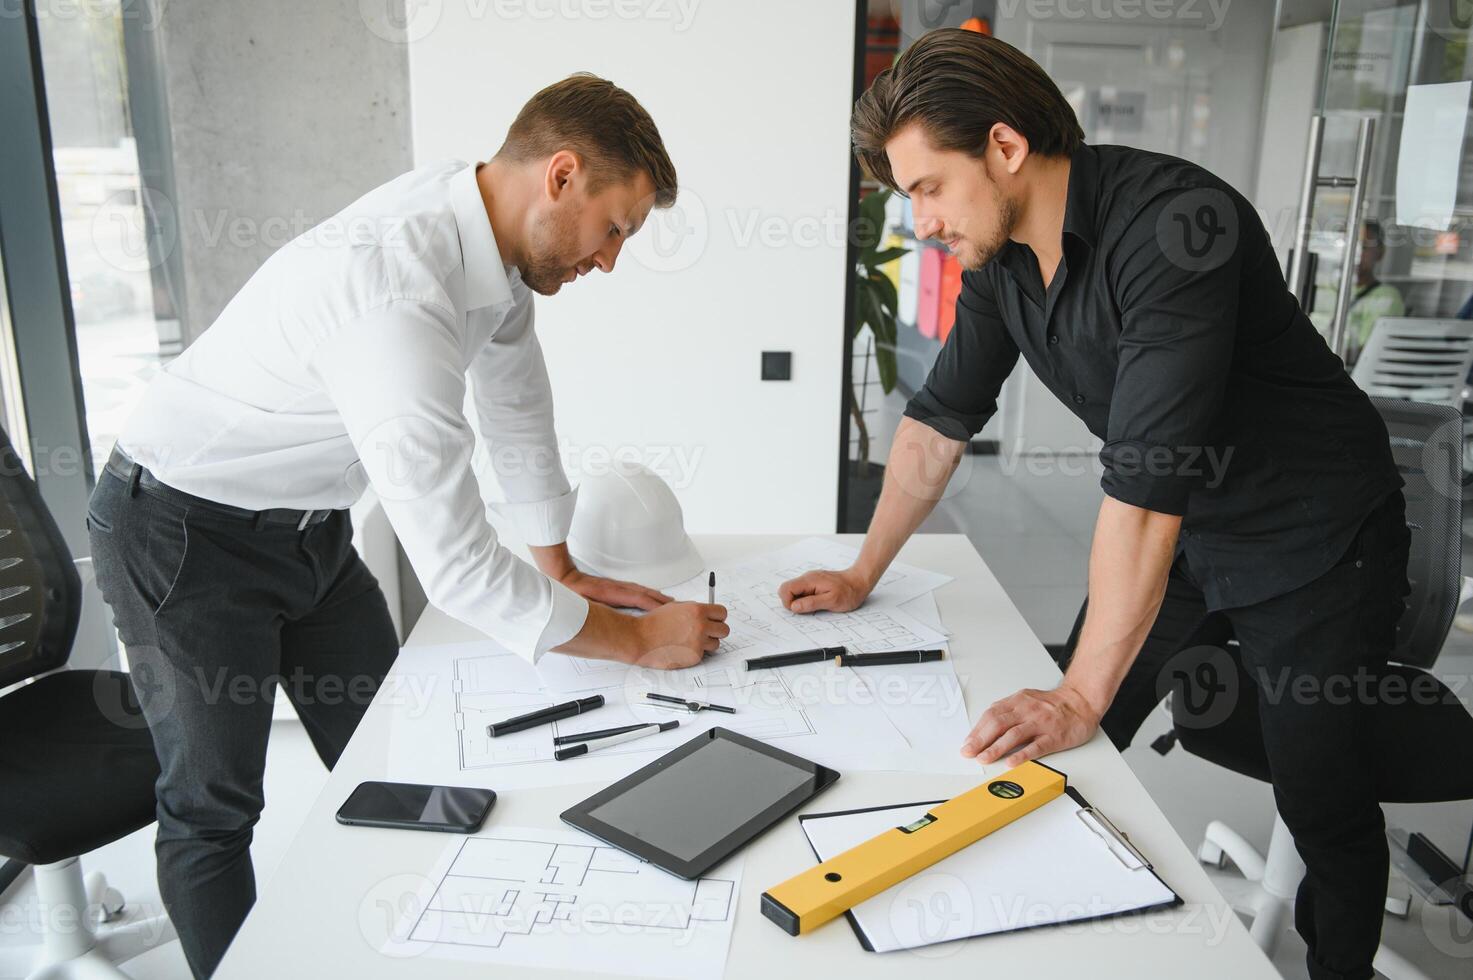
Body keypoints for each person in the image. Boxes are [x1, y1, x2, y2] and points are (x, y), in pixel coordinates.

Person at [780, 30, 1406, 980]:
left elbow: (1145, 492)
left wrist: (1079, 690)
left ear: (1002, 147)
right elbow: (938, 422)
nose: (922, 221)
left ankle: (1341, 970)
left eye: (927, 188)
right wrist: (865, 571)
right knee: (1068, 737)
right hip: (1190, 531)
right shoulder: (1001, 264)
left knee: (1319, 799)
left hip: (1313, 535)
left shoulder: (1175, 225)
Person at [88, 74, 728, 978]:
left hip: (306, 530)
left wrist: (562, 568)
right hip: (182, 531)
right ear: (562, 175)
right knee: (213, 807)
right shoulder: (390, 290)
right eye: (615, 228)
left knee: (392, 754)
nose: (611, 259)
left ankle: (422, 948)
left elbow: (515, 400)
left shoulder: (487, 239)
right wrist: (635, 641)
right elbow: (459, 566)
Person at [1343, 219, 1405, 367]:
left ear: (1380, 253)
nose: (1355, 255)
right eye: (1348, 246)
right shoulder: (1319, 287)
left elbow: (1368, 352)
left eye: (1363, 247)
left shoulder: (1386, 296)